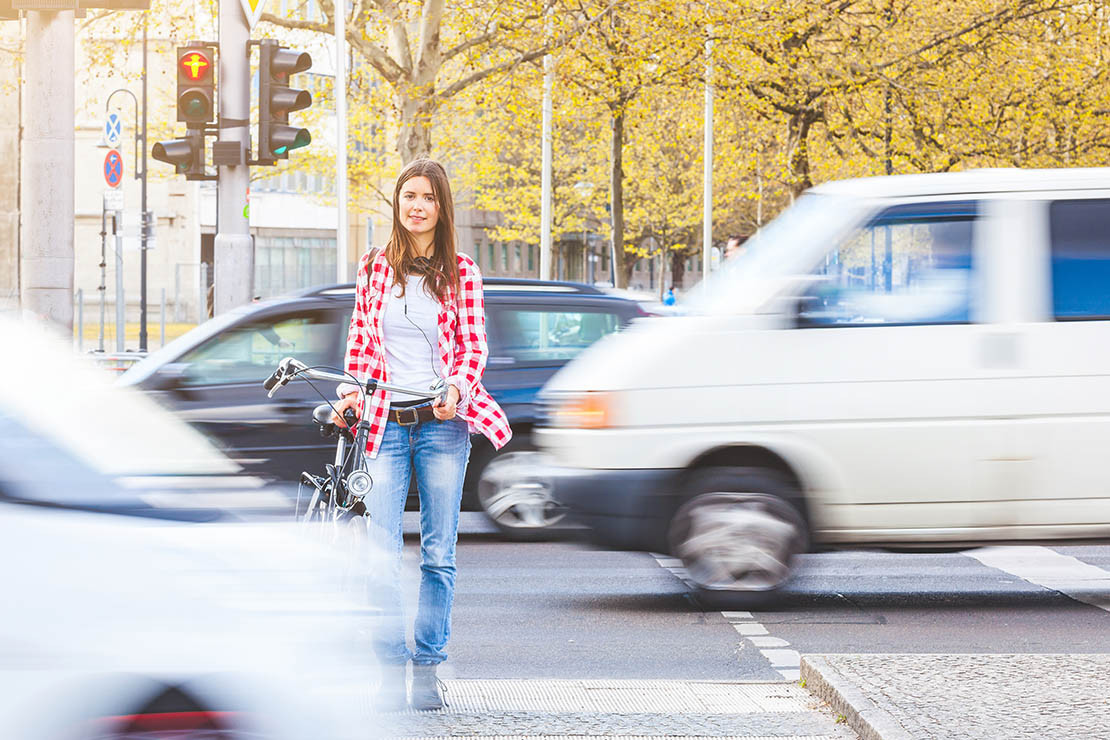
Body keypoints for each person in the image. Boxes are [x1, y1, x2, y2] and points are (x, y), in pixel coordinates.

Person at [331, 159, 512, 711]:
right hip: (386, 425)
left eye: (428, 197)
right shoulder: (373, 267)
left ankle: (428, 668)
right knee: (381, 554)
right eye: (409, 195)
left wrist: (457, 387)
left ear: (441, 207)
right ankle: (389, 669)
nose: (417, 205)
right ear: (397, 202)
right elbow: (361, 343)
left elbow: (474, 346)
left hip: (441, 428)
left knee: (438, 554)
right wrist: (351, 393)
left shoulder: (461, 271)